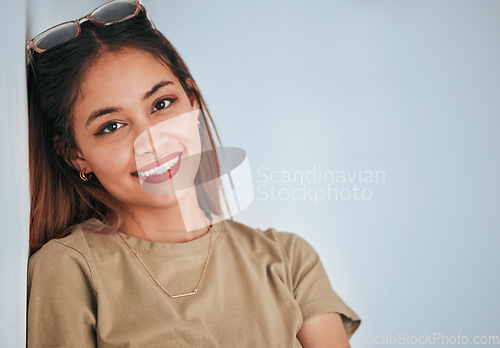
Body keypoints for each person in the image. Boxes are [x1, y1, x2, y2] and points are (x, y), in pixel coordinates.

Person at [26, 0, 361, 346]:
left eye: (161, 104)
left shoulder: (290, 260)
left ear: (193, 103)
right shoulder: (68, 270)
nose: (152, 143)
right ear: (76, 156)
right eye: (112, 126)